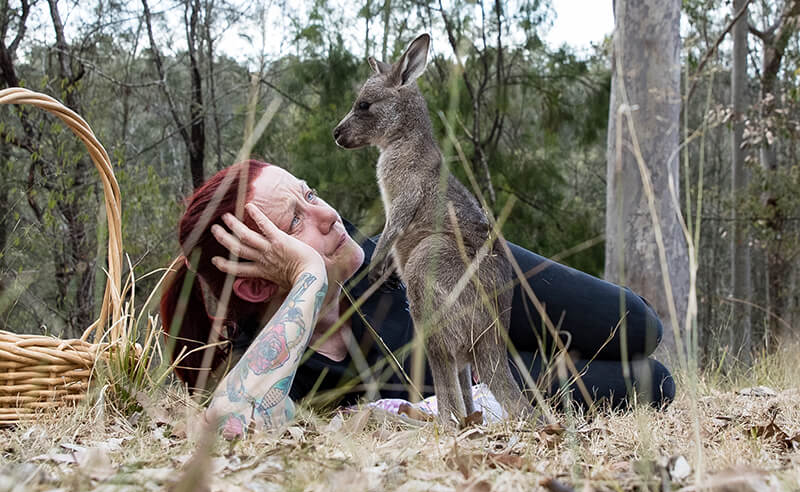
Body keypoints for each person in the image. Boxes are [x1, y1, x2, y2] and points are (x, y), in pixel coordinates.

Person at [160, 159, 674, 437]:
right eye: (296, 221)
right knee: (651, 384)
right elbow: (233, 425)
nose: (327, 215)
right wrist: (309, 277)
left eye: (310, 194)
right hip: (506, 386)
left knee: (639, 329)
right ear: (254, 280)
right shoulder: (273, 363)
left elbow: (638, 329)